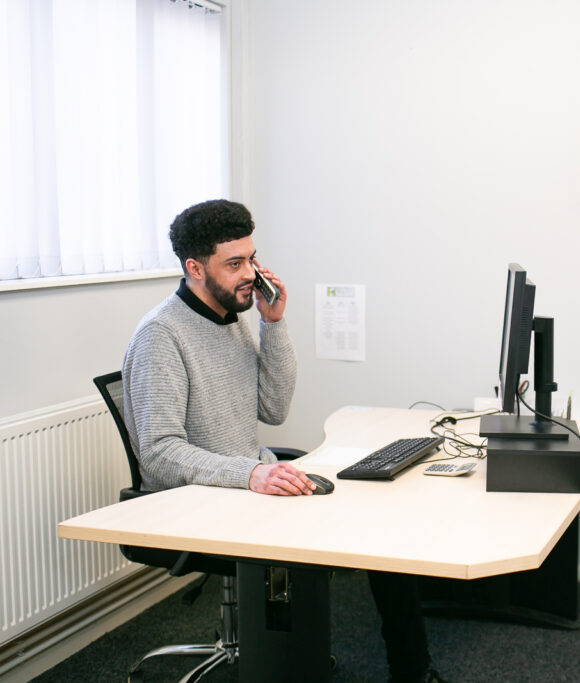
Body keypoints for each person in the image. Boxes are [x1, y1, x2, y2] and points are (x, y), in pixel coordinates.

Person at [122, 199, 444, 683]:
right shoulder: (161, 337)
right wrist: (250, 472)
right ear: (193, 268)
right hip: (204, 500)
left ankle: (412, 672)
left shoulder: (233, 317)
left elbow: (273, 408)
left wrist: (274, 323)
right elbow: (159, 453)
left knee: (383, 519)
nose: (249, 272)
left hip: (250, 483)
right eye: (234, 264)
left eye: (251, 258)